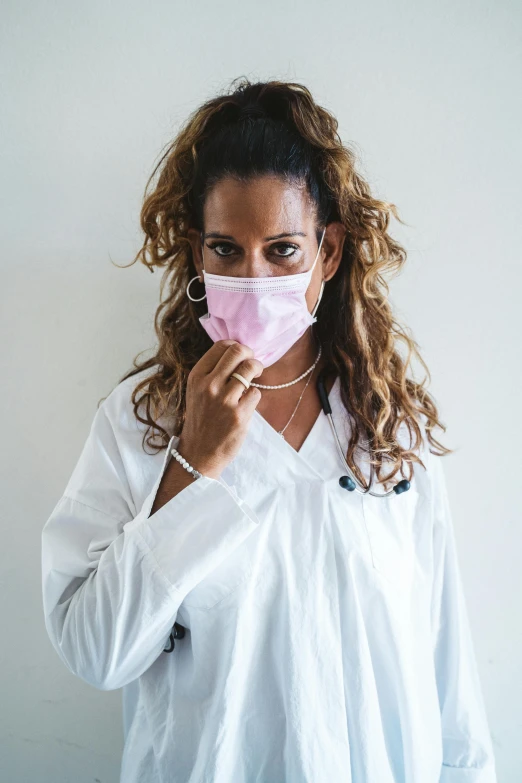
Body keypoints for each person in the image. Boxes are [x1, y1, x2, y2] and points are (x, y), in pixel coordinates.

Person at [41, 78, 497, 782]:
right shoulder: (144, 422)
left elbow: (446, 669)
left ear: (331, 251)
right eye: (225, 250)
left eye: (282, 250)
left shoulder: (386, 426)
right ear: (197, 253)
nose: (252, 276)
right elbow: (97, 653)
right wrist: (191, 465)